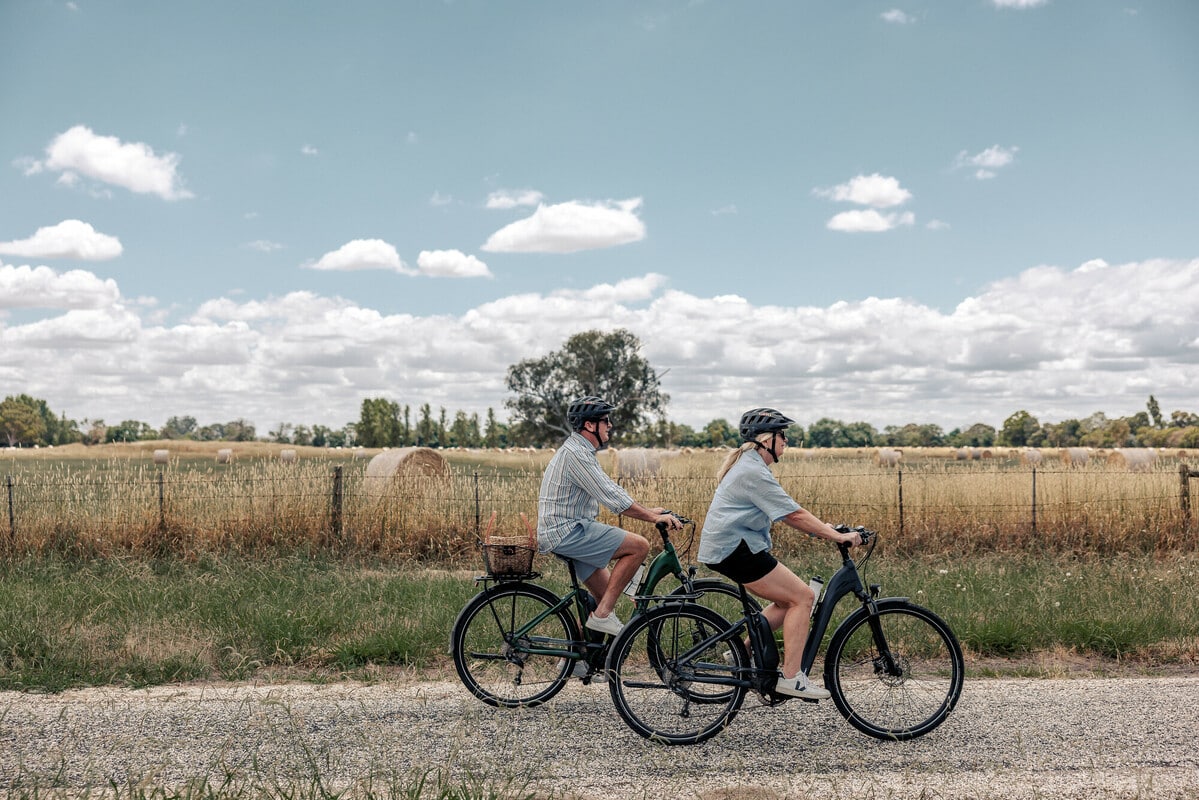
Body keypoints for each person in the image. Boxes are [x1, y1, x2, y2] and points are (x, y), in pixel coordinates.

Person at [698, 407, 861, 700]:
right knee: (803, 597)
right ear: (765, 440)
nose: (786, 440)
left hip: (732, 548)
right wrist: (837, 536)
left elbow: (789, 510)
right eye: (782, 435)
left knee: (787, 600)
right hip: (735, 550)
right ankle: (791, 678)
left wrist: (822, 529)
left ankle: (740, 653)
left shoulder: (752, 467)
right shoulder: (752, 471)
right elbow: (793, 514)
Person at [538, 395, 682, 637]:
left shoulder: (579, 451)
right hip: (567, 532)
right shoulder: (577, 455)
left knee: (605, 595)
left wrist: (649, 510)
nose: (610, 425)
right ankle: (603, 615)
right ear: (589, 425)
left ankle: (579, 661)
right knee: (639, 546)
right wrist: (651, 518)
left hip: (568, 531)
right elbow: (610, 496)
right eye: (606, 420)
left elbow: (611, 490)